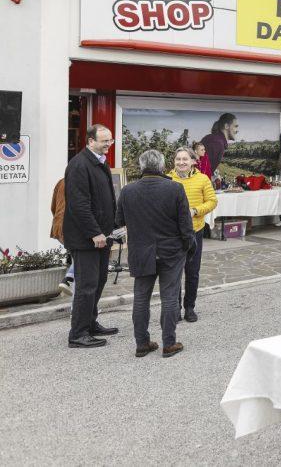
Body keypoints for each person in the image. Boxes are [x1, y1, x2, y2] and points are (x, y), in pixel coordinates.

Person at [116, 149, 193, 358]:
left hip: (141, 251)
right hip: (171, 251)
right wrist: (188, 246)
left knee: (141, 298)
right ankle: (169, 343)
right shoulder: (175, 188)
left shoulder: (127, 191)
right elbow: (186, 225)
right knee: (169, 297)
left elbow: (119, 221)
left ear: (142, 167)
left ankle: (142, 343)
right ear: (161, 166)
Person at [63, 124, 119, 349]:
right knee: (86, 285)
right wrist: (94, 232)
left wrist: (112, 230)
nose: (108, 145)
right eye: (104, 141)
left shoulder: (99, 161)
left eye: (110, 141)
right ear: (89, 141)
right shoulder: (79, 165)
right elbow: (79, 205)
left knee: (99, 281)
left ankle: (90, 322)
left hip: (103, 236)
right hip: (87, 239)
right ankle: (78, 333)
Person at [168, 147, 217, 323]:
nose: (181, 163)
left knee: (192, 272)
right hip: (173, 234)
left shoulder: (202, 179)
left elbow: (212, 201)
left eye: (185, 159)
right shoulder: (167, 179)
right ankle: (175, 308)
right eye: (178, 159)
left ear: (193, 161)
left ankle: (190, 307)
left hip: (195, 231)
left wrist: (196, 210)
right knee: (174, 274)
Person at [51, 178, 74, 297]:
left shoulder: (60, 182)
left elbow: (53, 206)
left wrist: (57, 220)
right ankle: (68, 279)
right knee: (83, 258)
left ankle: (70, 280)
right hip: (71, 227)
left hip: (59, 225)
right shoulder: (81, 182)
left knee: (78, 259)